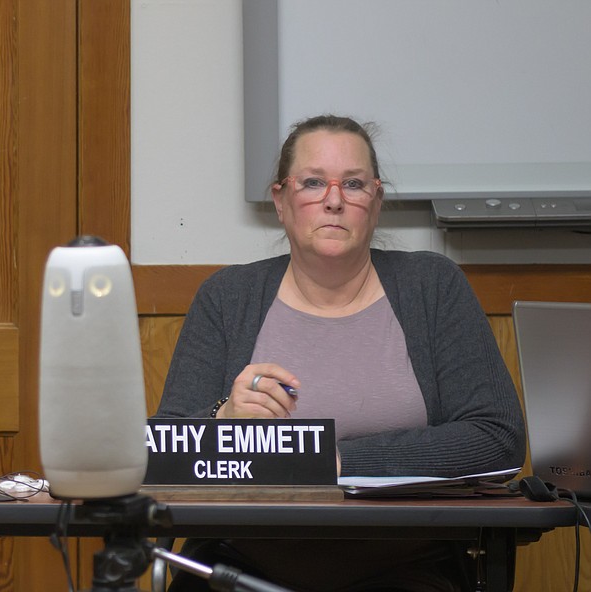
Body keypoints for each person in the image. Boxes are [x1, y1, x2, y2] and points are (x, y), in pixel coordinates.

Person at [156, 114, 525, 591]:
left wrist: (335, 463)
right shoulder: (228, 298)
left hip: (407, 568)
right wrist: (225, 420)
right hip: (242, 566)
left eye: (353, 184)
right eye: (312, 183)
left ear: (375, 202)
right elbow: (168, 453)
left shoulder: (432, 287)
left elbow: (496, 436)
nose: (334, 200)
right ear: (281, 201)